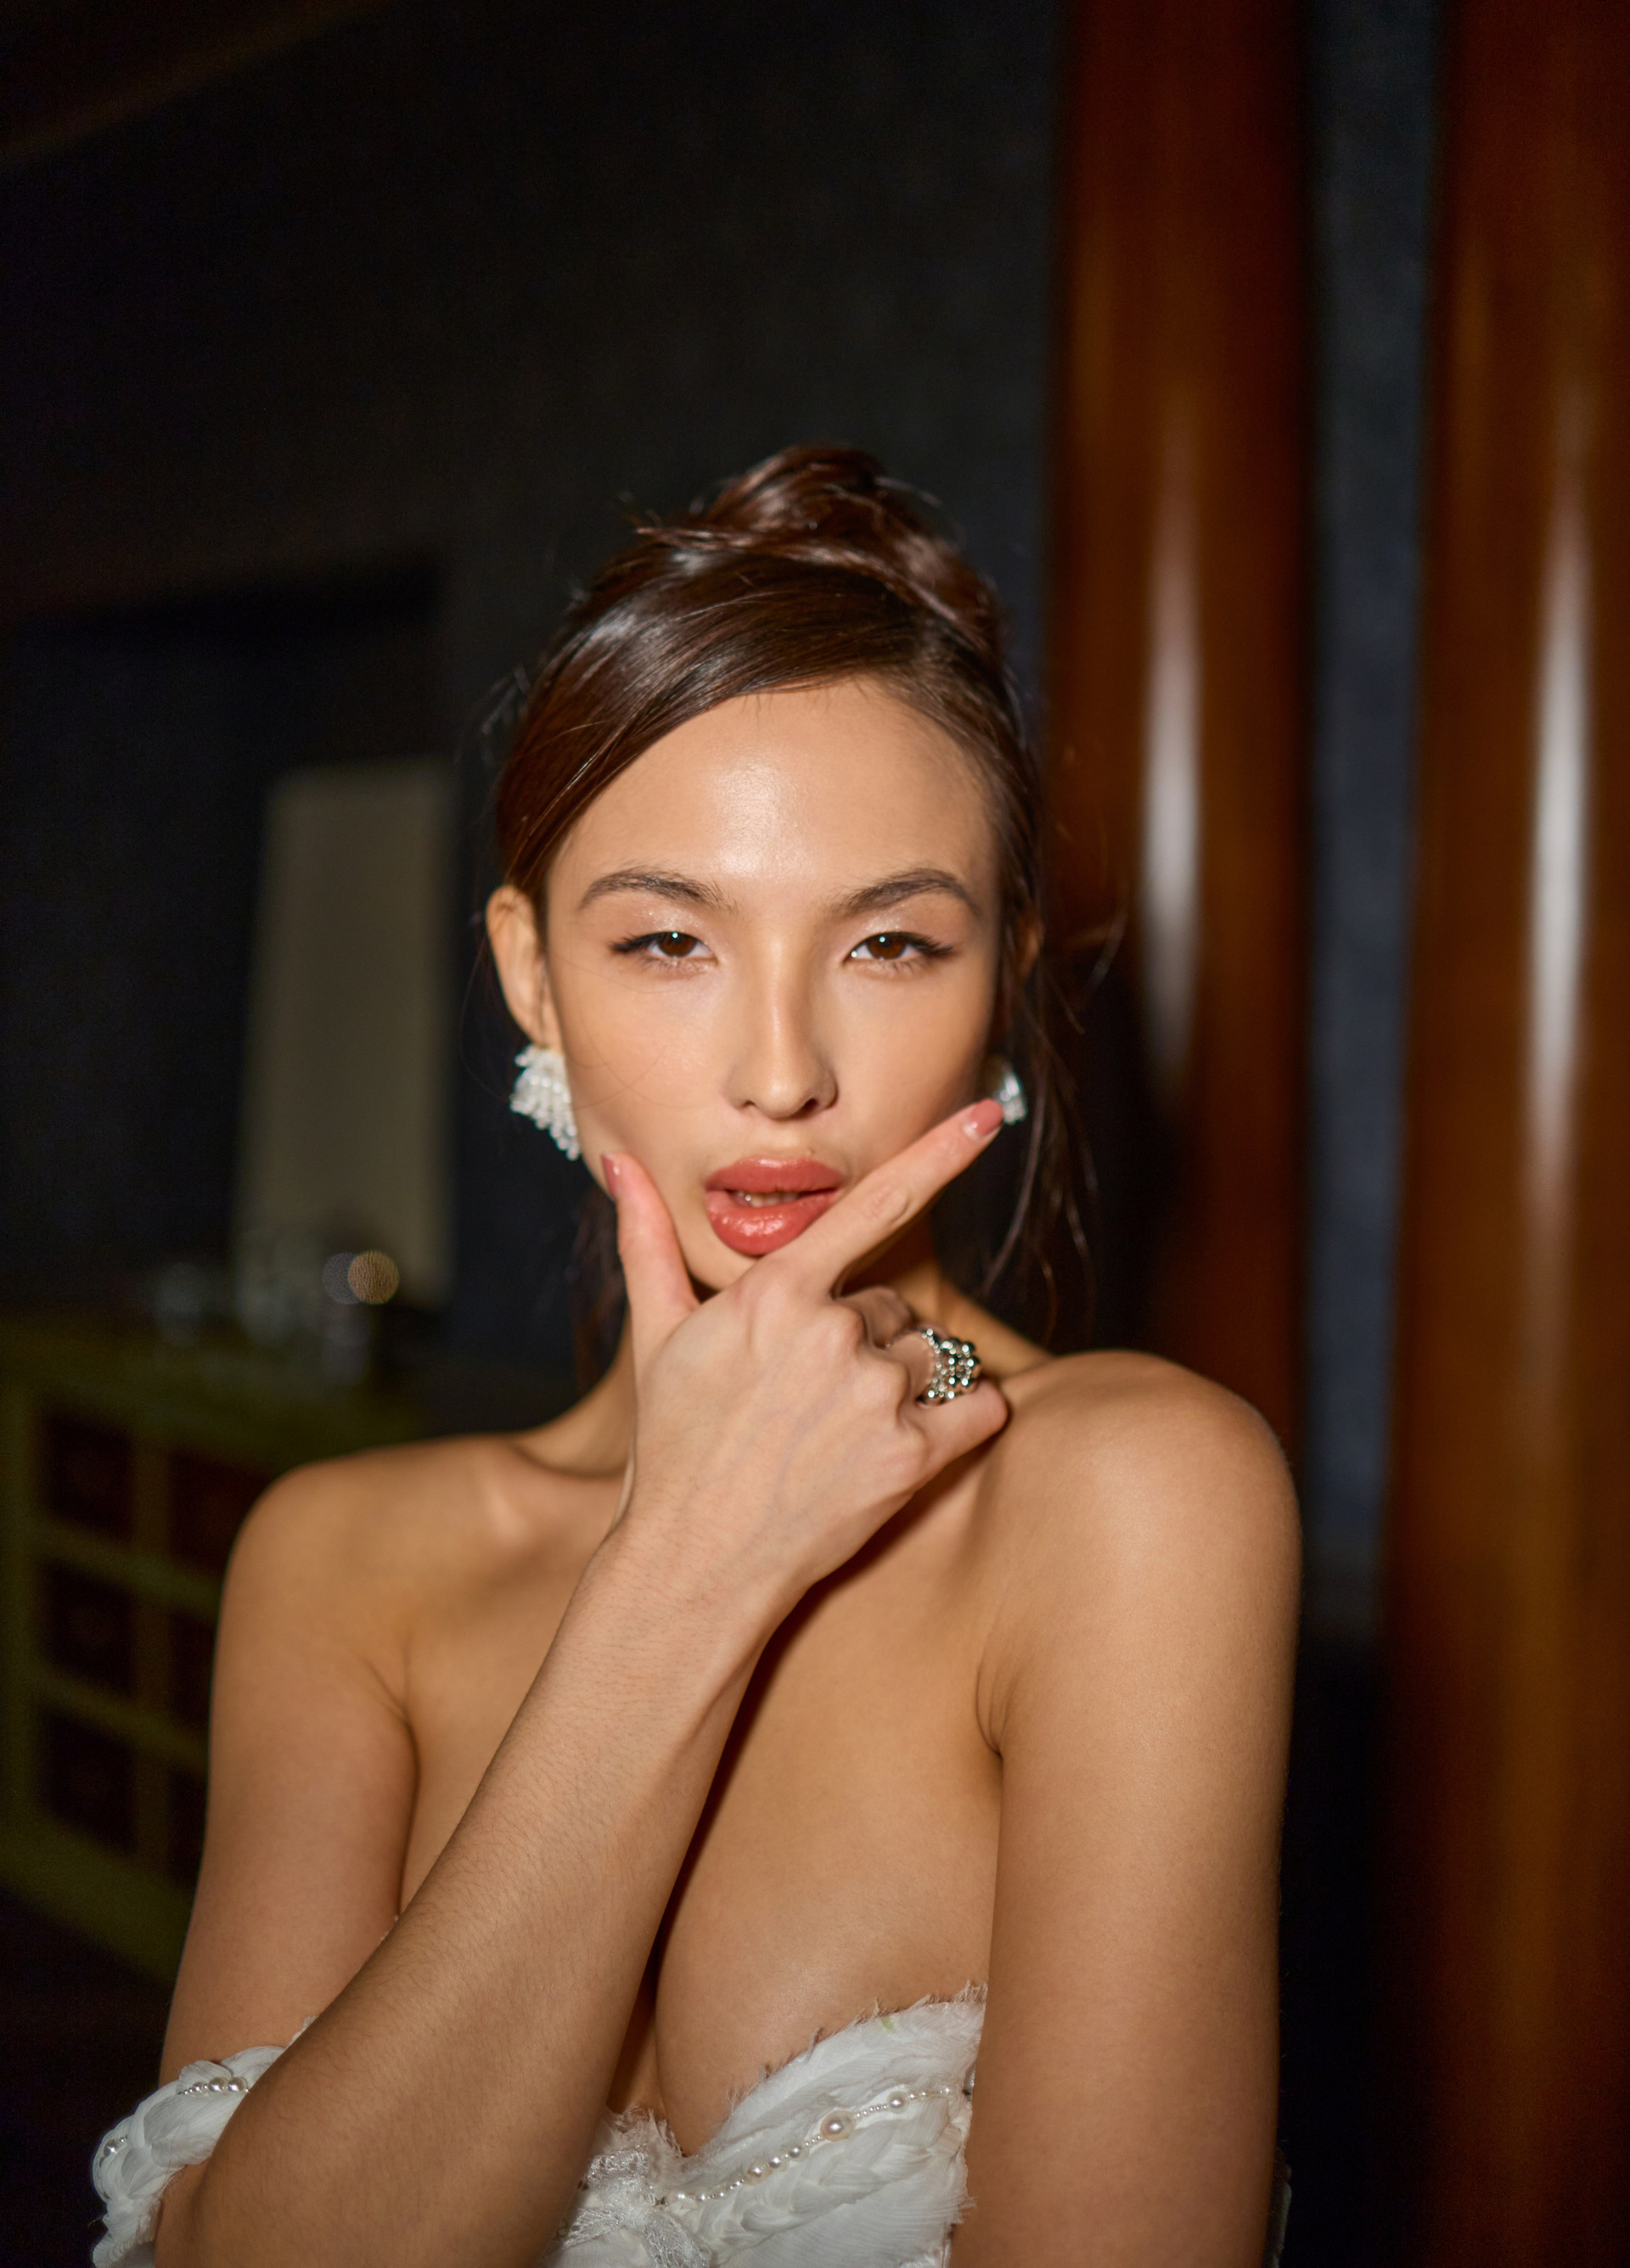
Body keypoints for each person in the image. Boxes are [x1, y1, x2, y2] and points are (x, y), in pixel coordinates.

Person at [92, 448, 1300, 2267]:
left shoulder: (1128, 1499)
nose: (780, 1072)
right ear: (530, 973)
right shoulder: (344, 1566)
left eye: (891, 942)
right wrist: (687, 1563)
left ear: (1006, 972)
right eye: (668, 939)